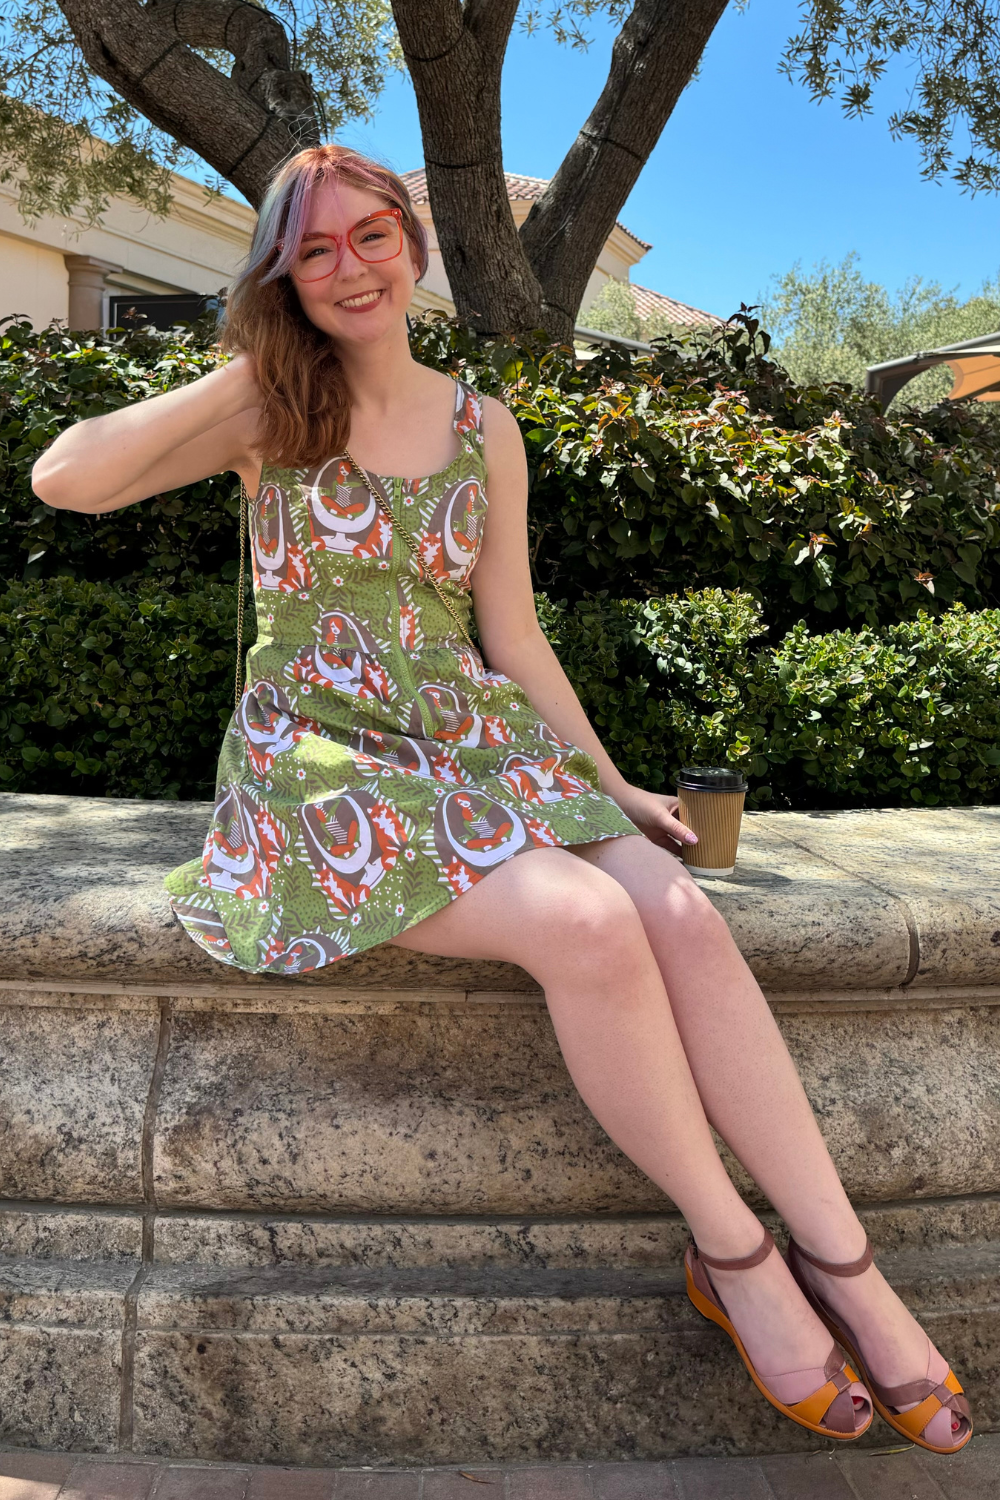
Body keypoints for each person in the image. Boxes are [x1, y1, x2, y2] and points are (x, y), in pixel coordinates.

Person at [31, 144, 971, 1455]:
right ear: (281, 276)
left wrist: (607, 785)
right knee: (586, 927)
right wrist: (244, 361)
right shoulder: (269, 413)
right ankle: (739, 1257)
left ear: (413, 244)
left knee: (682, 917)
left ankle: (851, 1264)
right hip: (323, 766)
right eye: (312, 250)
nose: (349, 267)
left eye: (370, 236)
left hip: (474, 745)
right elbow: (63, 477)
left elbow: (514, 639)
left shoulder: (486, 427)